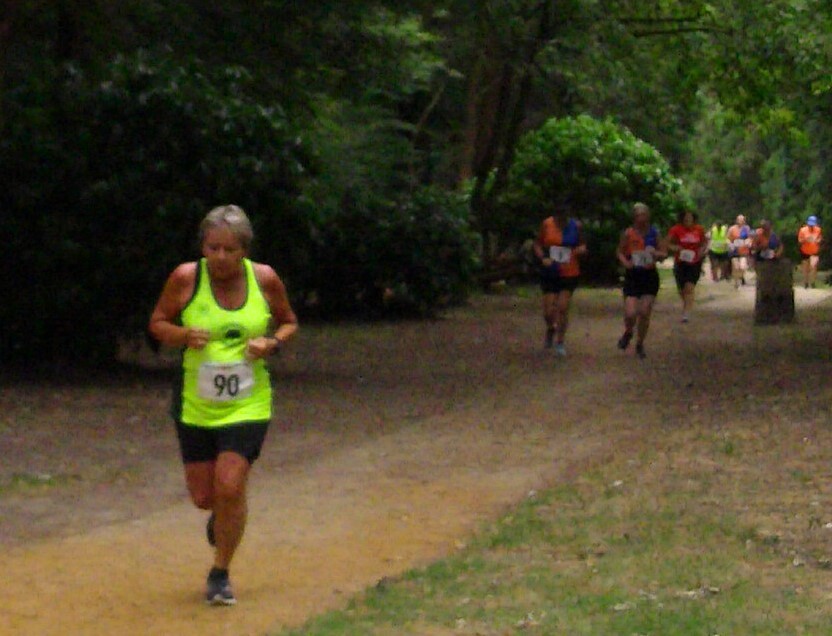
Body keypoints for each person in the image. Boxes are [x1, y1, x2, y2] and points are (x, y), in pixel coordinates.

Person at [148, 205, 299, 606]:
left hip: (248, 402)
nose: (220, 257)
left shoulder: (264, 279)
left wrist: (272, 342)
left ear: (244, 250)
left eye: (229, 250)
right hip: (195, 404)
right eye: (212, 248)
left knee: (230, 485)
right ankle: (225, 514)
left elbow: (289, 321)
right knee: (204, 496)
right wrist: (182, 335)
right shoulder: (185, 278)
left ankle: (220, 573)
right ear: (203, 247)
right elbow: (157, 322)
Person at [532, 203, 587, 357]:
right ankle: (551, 328)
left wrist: (578, 251)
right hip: (550, 271)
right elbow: (537, 244)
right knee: (548, 312)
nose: (562, 220)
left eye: (565, 217)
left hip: (569, 272)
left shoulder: (576, 226)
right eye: (560, 217)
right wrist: (543, 258)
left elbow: (583, 246)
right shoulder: (547, 224)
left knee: (563, 307)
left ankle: (560, 341)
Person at [616, 202, 668, 359]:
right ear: (634, 217)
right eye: (638, 215)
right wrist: (626, 263)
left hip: (649, 276)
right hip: (633, 276)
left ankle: (640, 343)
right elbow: (619, 252)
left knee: (645, 312)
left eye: (644, 215)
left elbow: (664, 253)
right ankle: (628, 332)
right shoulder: (628, 233)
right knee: (630, 313)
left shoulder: (654, 233)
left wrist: (656, 254)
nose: (641, 218)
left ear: (648, 216)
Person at [667, 211, 708, 323]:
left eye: (690, 218)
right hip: (680, 262)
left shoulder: (699, 229)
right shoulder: (676, 229)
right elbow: (667, 243)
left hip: (694, 262)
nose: (688, 220)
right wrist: (675, 248)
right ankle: (686, 304)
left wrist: (701, 250)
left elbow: (704, 242)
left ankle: (686, 312)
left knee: (689, 287)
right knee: (681, 289)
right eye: (685, 218)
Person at [727, 214, 753, 289]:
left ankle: (740, 277)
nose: (741, 221)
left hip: (743, 251)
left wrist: (748, 242)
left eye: (742, 220)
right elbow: (728, 238)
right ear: (736, 220)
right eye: (739, 220)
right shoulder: (732, 229)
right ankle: (736, 283)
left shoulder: (747, 228)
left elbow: (750, 238)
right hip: (734, 251)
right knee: (736, 267)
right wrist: (730, 244)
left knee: (742, 267)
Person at [798, 215, 822, 288]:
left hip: (814, 251)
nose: (811, 226)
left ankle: (813, 283)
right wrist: (805, 240)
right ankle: (806, 282)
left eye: (812, 225)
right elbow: (800, 240)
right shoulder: (802, 230)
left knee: (813, 266)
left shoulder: (818, 230)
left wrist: (817, 240)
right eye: (810, 225)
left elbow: (820, 238)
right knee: (805, 267)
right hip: (805, 251)